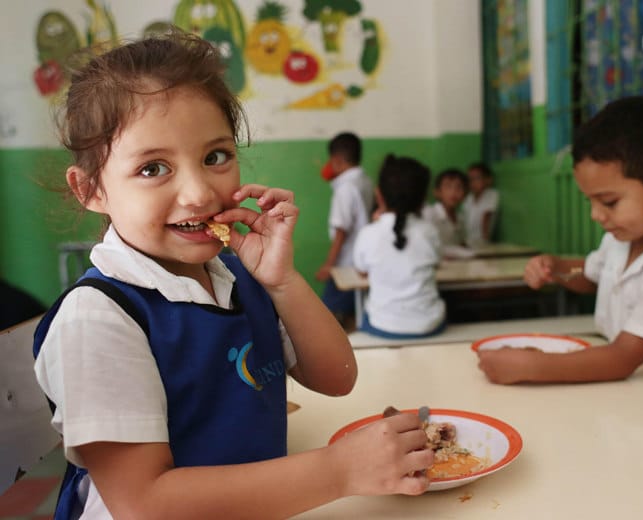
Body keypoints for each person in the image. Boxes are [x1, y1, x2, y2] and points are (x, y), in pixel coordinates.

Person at [32, 33, 434, 520]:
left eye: (215, 156)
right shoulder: (97, 319)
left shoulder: (235, 275)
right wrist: (338, 471)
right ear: (90, 188)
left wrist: (283, 282)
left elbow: (336, 378)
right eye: (153, 167)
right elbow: (144, 504)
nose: (200, 193)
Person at [477, 96, 643, 397]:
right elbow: (589, 274)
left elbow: (622, 358)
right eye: (589, 201)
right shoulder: (624, 236)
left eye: (608, 202)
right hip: (633, 393)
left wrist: (531, 366)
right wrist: (557, 267)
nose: (596, 215)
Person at [353, 155, 446, 339]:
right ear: (423, 199)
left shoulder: (368, 234)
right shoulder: (430, 232)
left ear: (378, 195)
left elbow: (362, 272)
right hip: (429, 324)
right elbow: (436, 265)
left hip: (383, 324)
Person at [315, 132, 374, 330]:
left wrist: (328, 265)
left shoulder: (345, 189)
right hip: (364, 260)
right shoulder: (365, 180)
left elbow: (341, 231)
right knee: (353, 311)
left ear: (337, 160)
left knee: (327, 318)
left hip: (346, 263)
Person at [422, 168, 471, 258]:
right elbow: (429, 247)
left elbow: (462, 243)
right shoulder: (430, 214)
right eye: (448, 187)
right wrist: (462, 252)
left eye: (459, 187)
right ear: (437, 192)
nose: (453, 192)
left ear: (465, 194)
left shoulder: (461, 218)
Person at [463, 162, 499, 248]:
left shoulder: (491, 194)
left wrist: (485, 241)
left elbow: (486, 217)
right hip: (467, 240)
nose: (473, 182)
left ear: (488, 180)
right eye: (470, 179)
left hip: (482, 241)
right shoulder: (469, 198)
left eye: (477, 178)